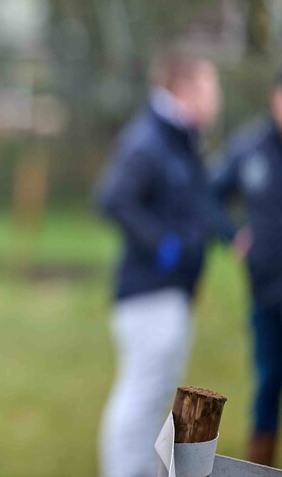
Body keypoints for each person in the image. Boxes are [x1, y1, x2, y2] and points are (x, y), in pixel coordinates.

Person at [95, 54, 223, 477]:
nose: (217, 98)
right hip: (149, 293)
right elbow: (114, 199)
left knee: (156, 398)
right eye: (211, 88)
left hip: (172, 294)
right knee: (140, 395)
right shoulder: (150, 139)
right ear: (185, 90)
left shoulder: (181, 140)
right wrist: (164, 246)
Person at [211, 73, 282, 466]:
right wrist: (233, 234)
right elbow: (211, 194)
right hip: (266, 291)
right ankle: (261, 464)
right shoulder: (250, 148)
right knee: (269, 381)